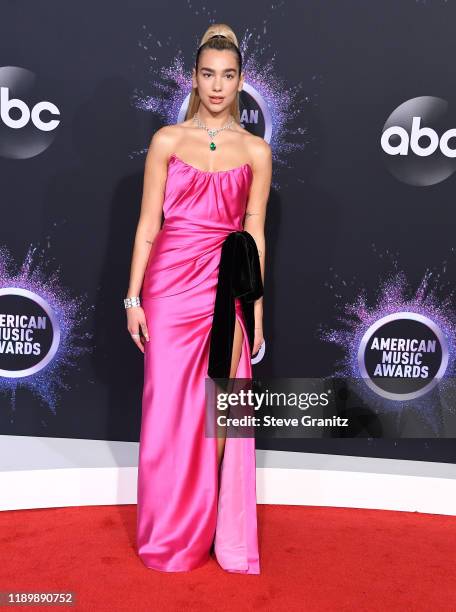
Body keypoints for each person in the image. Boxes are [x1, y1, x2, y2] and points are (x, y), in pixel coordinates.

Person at [125, 23, 272, 574]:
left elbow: (253, 235)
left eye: (227, 76)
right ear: (194, 77)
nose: (216, 86)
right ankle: (170, 534)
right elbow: (147, 224)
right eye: (208, 74)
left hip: (226, 288)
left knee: (220, 410)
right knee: (166, 412)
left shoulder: (256, 150)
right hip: (168, 286)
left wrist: (256, 310)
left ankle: (205, 524)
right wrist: (132, 298)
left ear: (240, 81)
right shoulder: (167, 140)